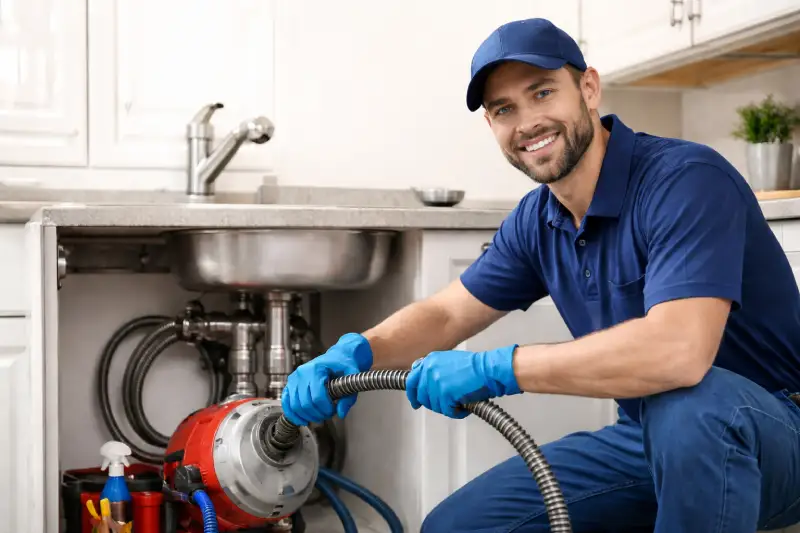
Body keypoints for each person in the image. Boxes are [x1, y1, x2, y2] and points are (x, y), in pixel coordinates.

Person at [281, 17, 800, 533]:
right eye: (504, 109)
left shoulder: (684, 180)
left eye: (543, 92)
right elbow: (445, 313)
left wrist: (498, 369)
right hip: (646, 439)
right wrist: (354, 352)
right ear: (492, 126)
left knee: (693, 407)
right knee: (458, 527)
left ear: (588, 89)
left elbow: (679, 353)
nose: (526, 122)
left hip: (771, 435)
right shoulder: (538, 218)